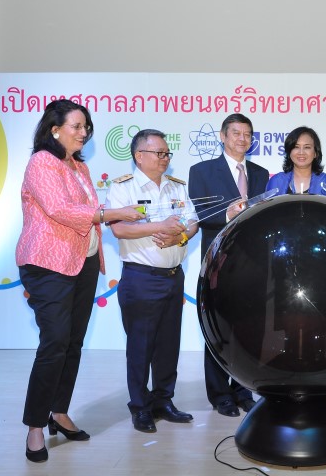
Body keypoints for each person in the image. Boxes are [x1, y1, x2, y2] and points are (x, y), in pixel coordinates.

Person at [16, 100, 144, 463]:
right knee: (54, 342)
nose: (83, 132)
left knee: (72, 342)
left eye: (86, 127)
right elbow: (61, 210)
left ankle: (59, 412)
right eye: (76, 126)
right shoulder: (42, 162)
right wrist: (111, 212)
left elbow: (86, 214)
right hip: (48, 264)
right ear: (54, 130)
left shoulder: (79, 167)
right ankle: (35, 426)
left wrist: (116, 216)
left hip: (83, 263)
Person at [106, 129, 198, 433]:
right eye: (158, 153)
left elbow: (192, 222)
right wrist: (160, 226)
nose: (164, 158)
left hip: (173, 276)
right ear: (139, 156)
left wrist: (180, 236)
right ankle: (140, 407)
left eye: (167, 153)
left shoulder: (176, 186)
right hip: (141, 277)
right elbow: (119, 228)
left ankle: (163, 400)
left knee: (168, 345)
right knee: (141, 346)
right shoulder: (123, 187)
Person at [188, 113, 268, 417]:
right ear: (222, 136)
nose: (242, 139)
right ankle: (220, 394)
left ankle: (242, 389)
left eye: (247, 134)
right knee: (217, 327)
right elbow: (199, 214)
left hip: (252, 263)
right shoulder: (202, 171)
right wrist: (227, 216)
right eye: (236, 133)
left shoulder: (261, 173)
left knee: (247, 329)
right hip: (218, 261)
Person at [265, 126, 326, 195]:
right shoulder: (276, 181)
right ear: (289, 152)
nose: (301, 152)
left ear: (315, 153)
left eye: (307, 147)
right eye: (296, 147)